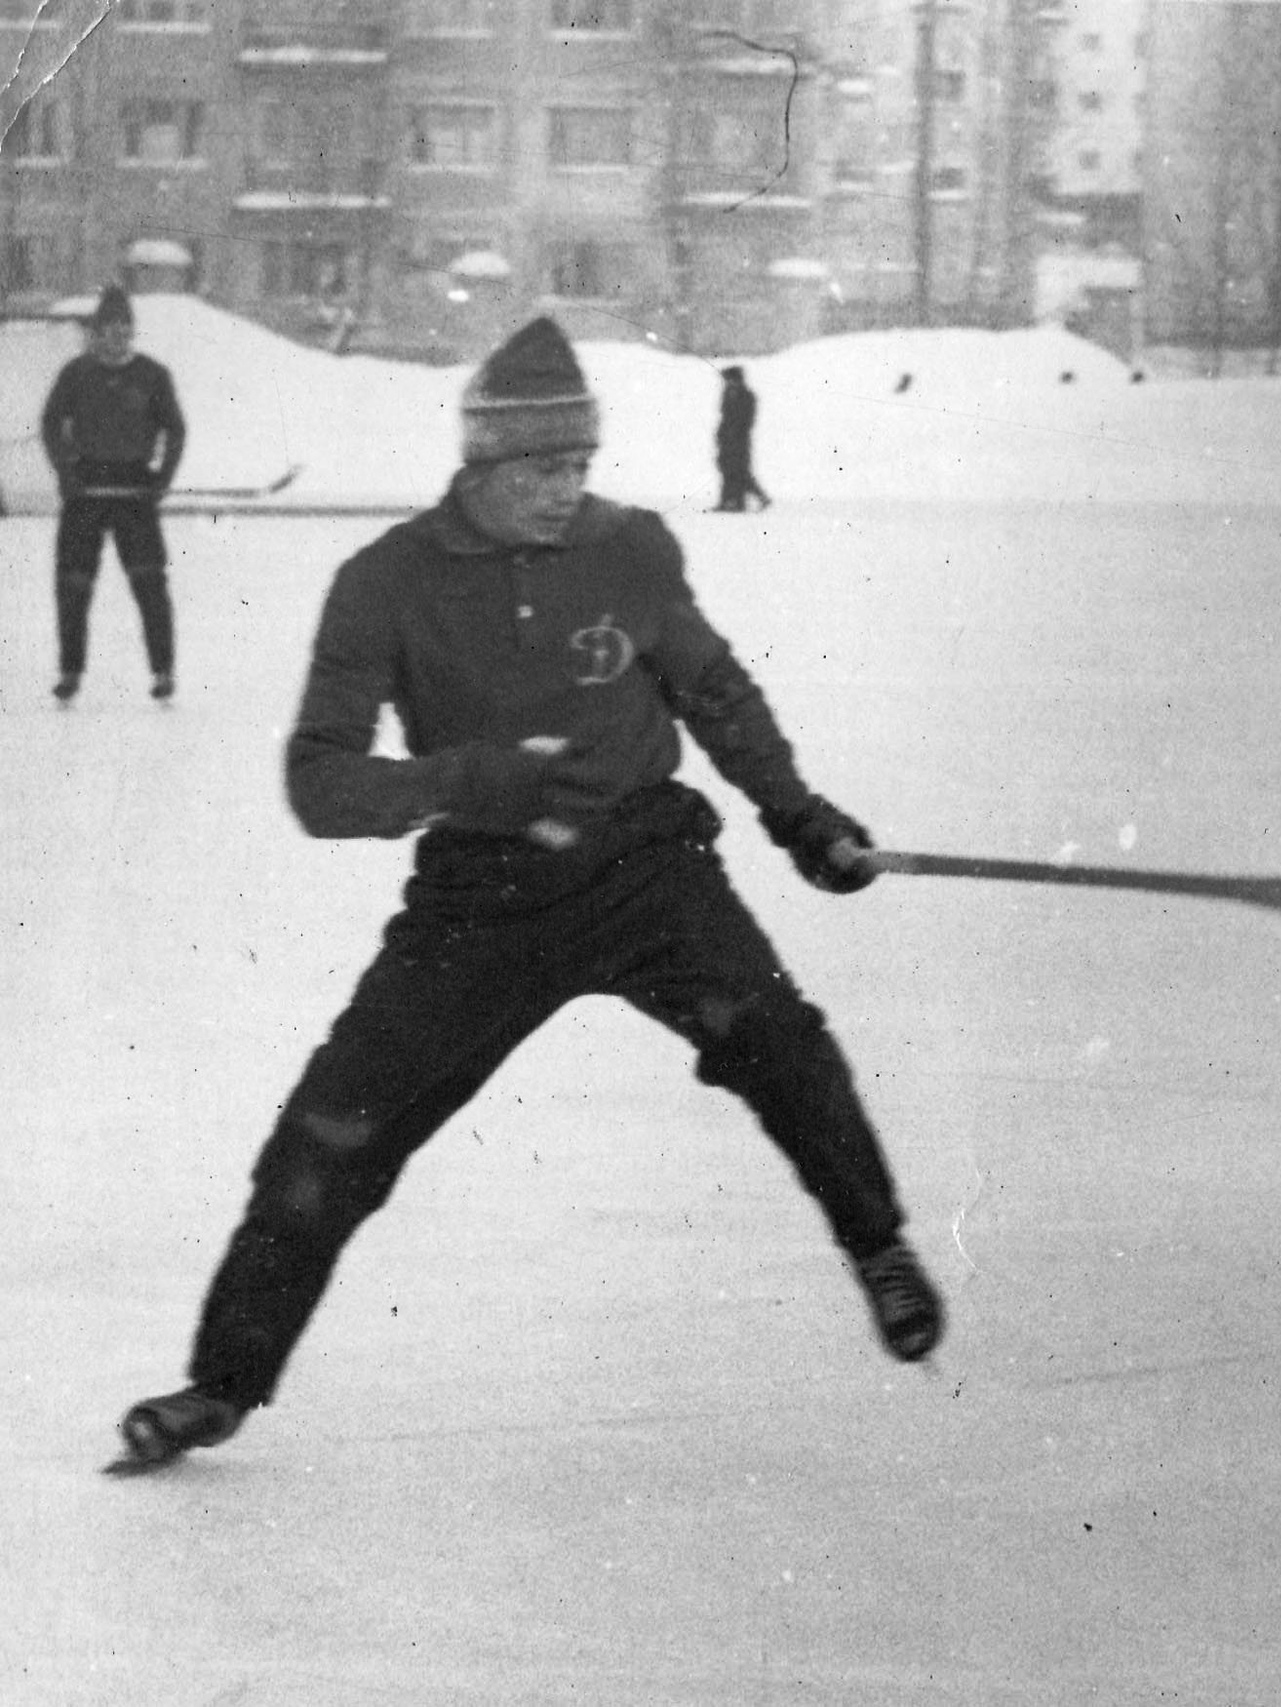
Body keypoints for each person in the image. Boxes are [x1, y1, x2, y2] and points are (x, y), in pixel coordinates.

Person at [108, 319, 942, 1473]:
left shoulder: (634, 551)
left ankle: (880, 1245)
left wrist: (795, 813)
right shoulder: (384, 584)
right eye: (542, 469)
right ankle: (222, 1382)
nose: (567, 491)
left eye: (579, 466)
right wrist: (466, 781)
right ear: (481, 466)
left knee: (782, 1045)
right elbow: (319, 785)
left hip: (648, 870)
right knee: (332, 1130)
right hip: (480, 898)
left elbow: (714, 693)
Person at [40, 283, 186, 703]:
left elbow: (175, 429)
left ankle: (163, 672)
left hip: (134, 492)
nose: (115, 337)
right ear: (95, 333)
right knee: (73, 584)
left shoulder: (152, 375)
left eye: (124, 329)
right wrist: (66, 473)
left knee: (150, 585)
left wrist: (162, 479)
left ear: (132, 331)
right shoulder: (76, 373)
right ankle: (70, 671)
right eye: (107, 329)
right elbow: (51, 423)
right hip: (85, 491)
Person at [713, 365, 769, 512]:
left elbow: (746, 420)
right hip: (726, 440)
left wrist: (734, 433)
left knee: (739, 472)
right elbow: (725, 418)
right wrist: (720, 435)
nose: (726, 382)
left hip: (740, 441)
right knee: (727, 470)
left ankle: (747, 500)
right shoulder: (727, 394)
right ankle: (728, 501)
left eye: (729, 379)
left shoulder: (747, 396)